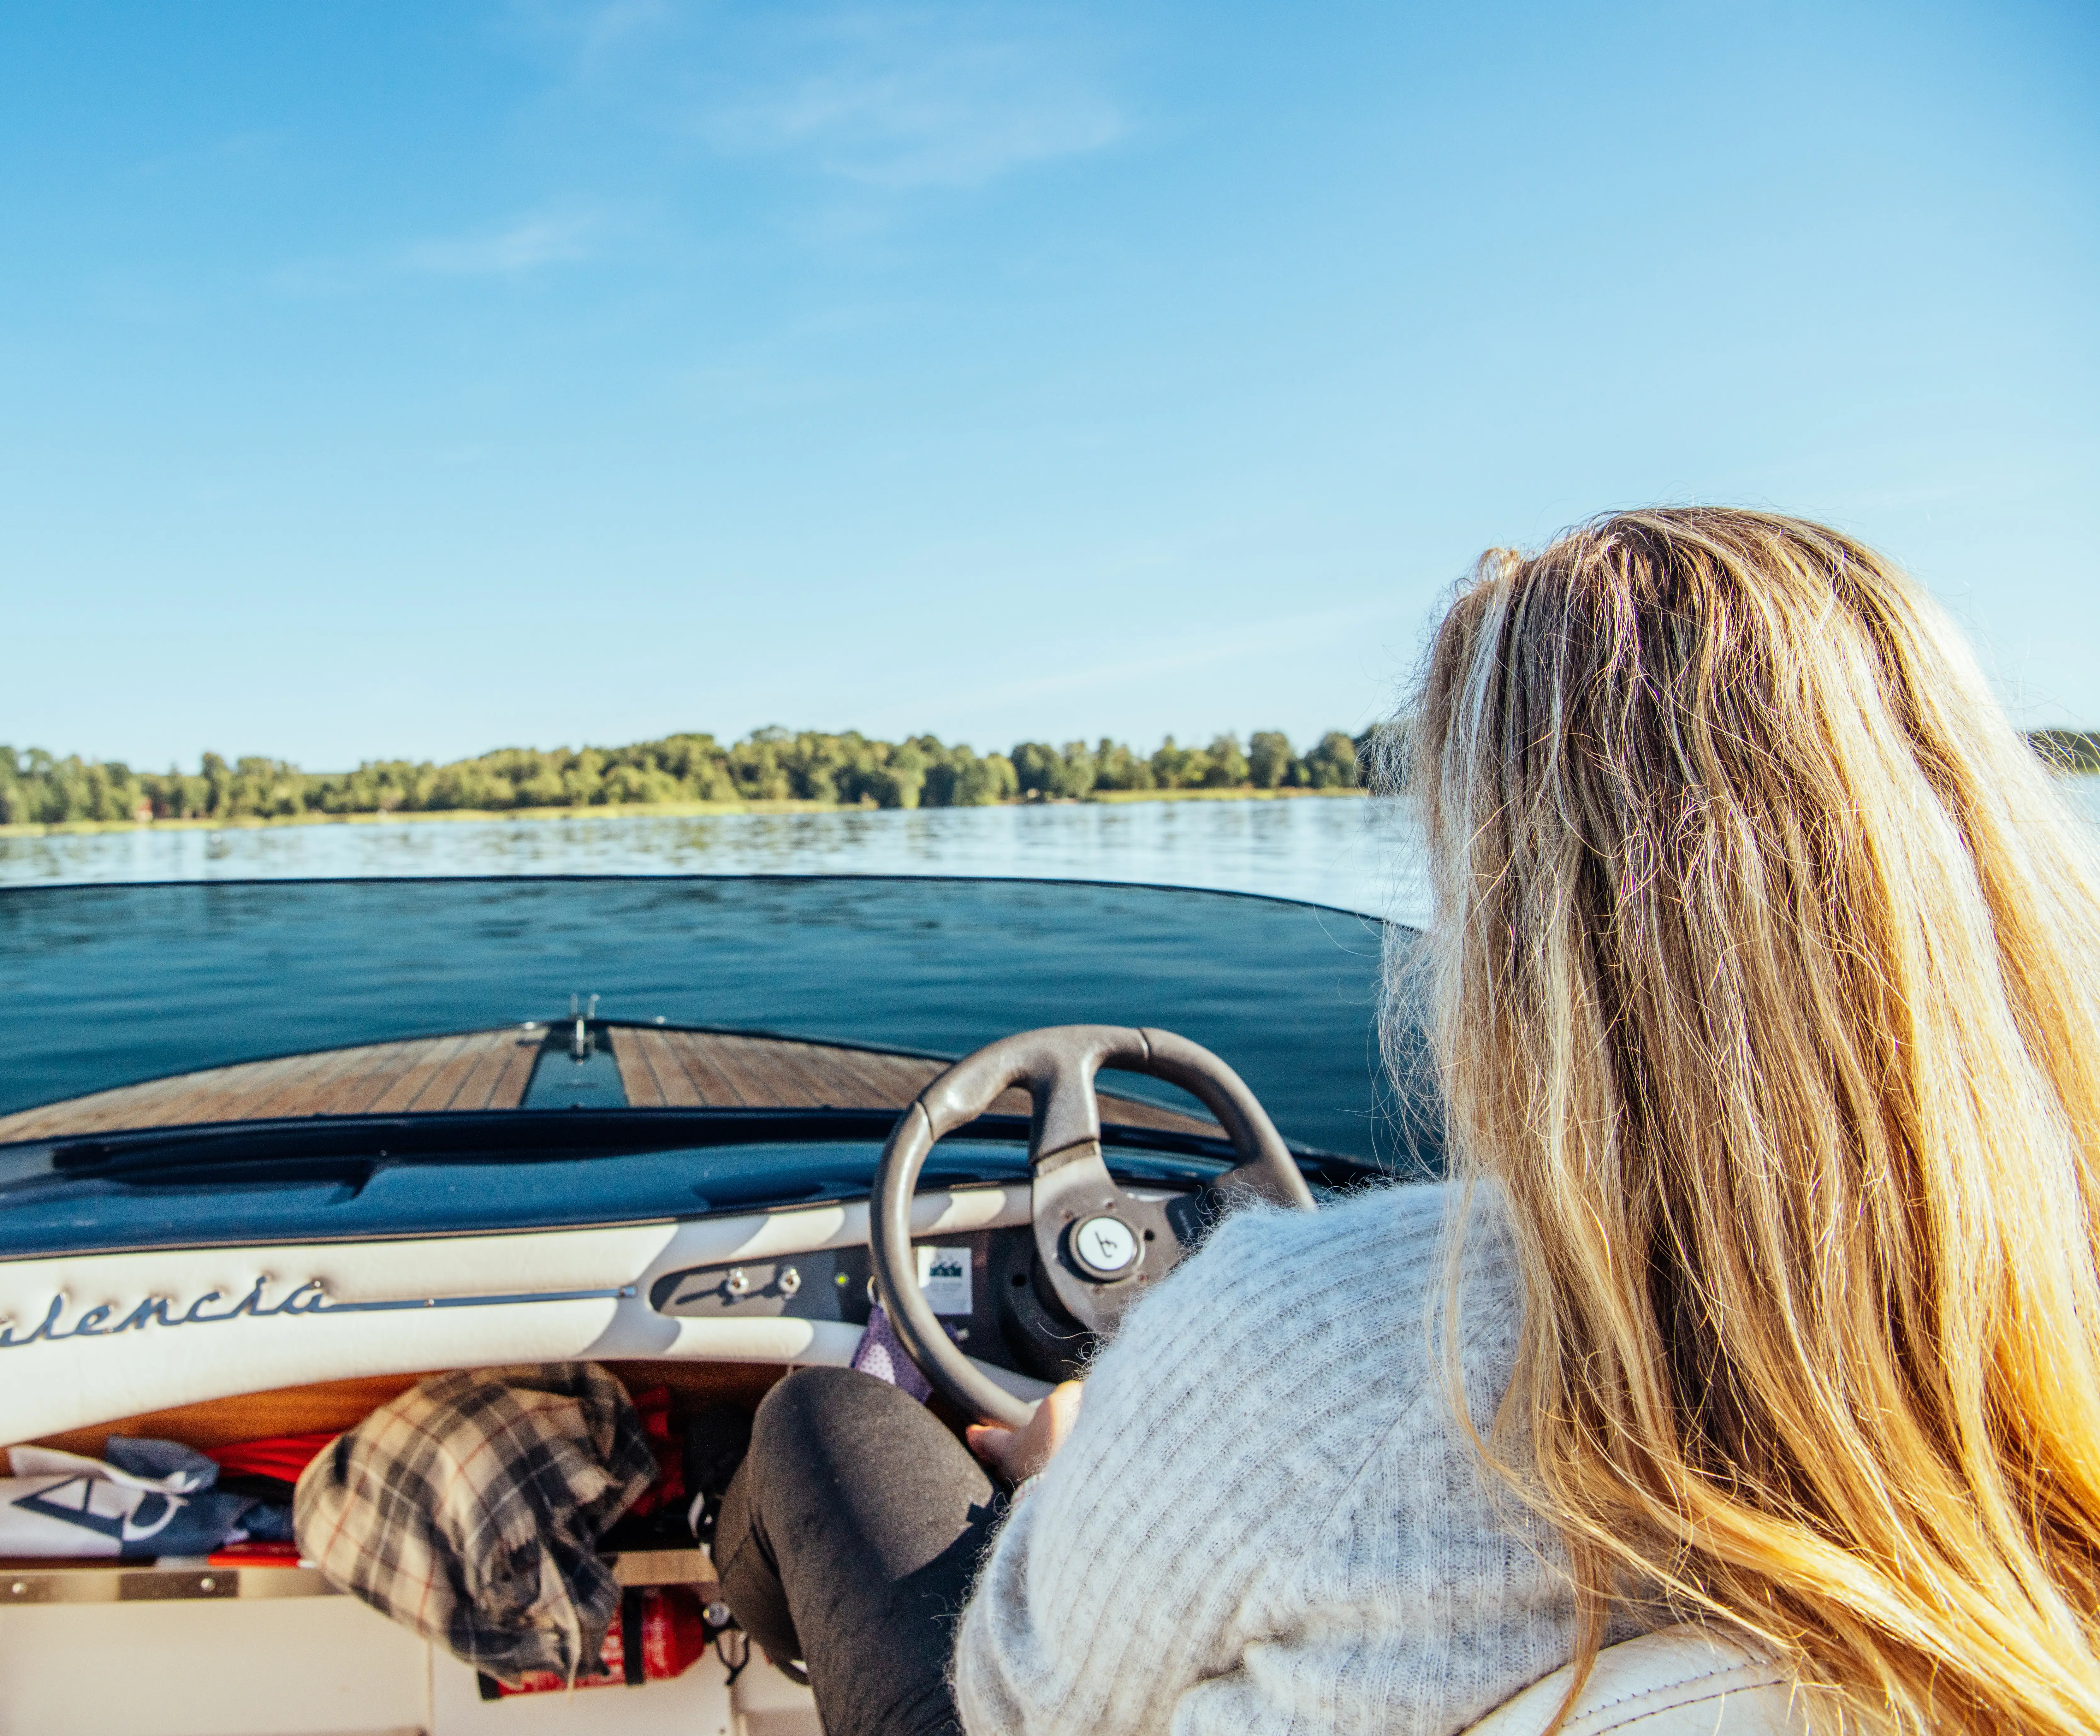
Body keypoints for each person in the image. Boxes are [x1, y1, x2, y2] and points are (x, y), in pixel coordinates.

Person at [713, 508, 2100, 1736]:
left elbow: (1020, 1708)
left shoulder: (1311, 1345)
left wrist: (1062, 1492)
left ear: (1515, 932)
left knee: (825, 1425)